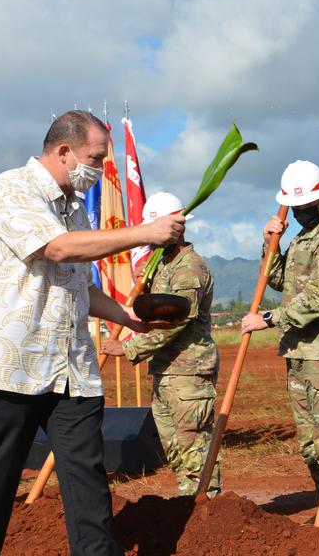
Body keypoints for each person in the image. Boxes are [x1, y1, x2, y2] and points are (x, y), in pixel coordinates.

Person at [0, 110, 185, 556]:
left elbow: (81, 282)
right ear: (64, 151)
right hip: (15, 363)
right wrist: (143, 233)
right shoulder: (10, 190)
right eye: (96, 157)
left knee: (86, 474)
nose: (101, 168)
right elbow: (57, 248)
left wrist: (127, 316)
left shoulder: (75, 208)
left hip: (72, 367)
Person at [240, 160, 319, 526]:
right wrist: (269, 244)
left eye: (306, 204)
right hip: (298, 351)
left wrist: (269, 319)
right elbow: (278, 281)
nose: (300, 211)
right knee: (310, 441)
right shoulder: (302, 238)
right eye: (295, 206)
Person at [101, 191, 221, 498]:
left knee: (193, 448)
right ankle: (188, 504)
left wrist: (128, 348)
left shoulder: (189, 269)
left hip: (189, 375)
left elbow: (175, 323)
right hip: (166, 371)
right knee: (175, 450)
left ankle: (206, 509)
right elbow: (149, 314)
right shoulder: (162, 267)